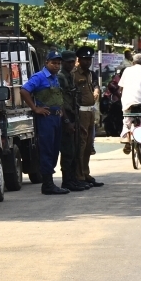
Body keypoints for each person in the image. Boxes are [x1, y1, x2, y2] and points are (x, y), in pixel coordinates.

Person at [20, 51, 70, 195]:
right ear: (46, 63)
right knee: (47, 150)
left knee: (54, 150)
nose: (56, 66)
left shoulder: (54, 78)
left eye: (58, 63)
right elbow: (24, 91)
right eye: (53, 63)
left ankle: (50, 181)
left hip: (55, 118)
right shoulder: (39, 77)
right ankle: (47, 184)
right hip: (45, 119)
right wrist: (35, 108)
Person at [73, 46, 103, 187]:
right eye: (85, 59)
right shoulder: (74, 74)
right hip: (80, 112)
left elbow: (96, 86)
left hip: (91, 112)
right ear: (78, 59)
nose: (88, 62)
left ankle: (85, 173)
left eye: (89, 59)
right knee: (81, 144)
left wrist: (97, 90)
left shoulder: (91, 74)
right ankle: (78, 175)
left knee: (89, 145)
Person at [57, 51, 88, 191]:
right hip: (66, 116)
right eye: (68, 62)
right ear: (62, 62)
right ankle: (67, 181)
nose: (70, 64)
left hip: (73, 114)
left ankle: (73, 179)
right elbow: (61, 101)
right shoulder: (61, 77)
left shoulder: (69, 75)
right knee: (68, 151)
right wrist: (67, 121)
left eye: (72, 61)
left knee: (75, 150)